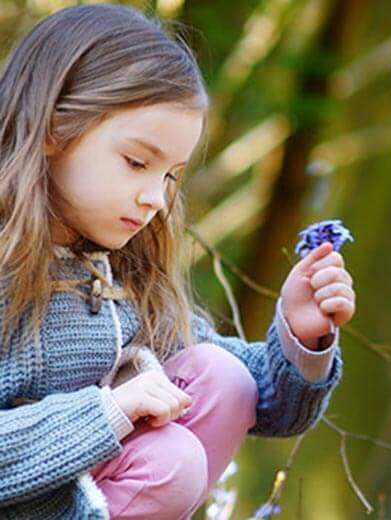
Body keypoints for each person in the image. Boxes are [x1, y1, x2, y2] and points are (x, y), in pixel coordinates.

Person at [0, 4, 355, 519]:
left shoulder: (119, 276)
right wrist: (108, 413)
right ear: (55, 128)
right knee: (171, 461)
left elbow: (262, 403)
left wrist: (302, 334)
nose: (155, 199)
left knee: (223, 377)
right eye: (137, 162)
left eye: (169, 176)